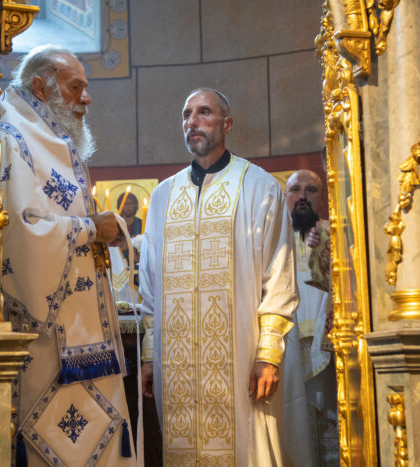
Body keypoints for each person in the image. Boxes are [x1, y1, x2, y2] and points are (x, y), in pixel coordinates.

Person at [139, 88, 299, 466]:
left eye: (204, 112)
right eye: (186, 114)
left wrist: (269, 354)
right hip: (174, 368)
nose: (192, 122)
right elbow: (150, 286)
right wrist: (149, 356)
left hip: (242, 361)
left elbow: (279, 277)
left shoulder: (259, 187)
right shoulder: (162, 197)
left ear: (226, 124)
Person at [0, 45, 135, 467]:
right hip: (46, 345)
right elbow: (21, 232)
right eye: (76, 87)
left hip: (88, 339)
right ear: (40, 86)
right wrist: (92, 229)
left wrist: (93, 229)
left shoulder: (53, 141)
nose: (87, 98)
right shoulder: (13, 138)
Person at [284, 170, 337, 465]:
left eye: (311, 190)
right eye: (295, 190)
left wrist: (327, 251)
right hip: (286, 350)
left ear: (324, 197)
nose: (302, 196)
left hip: (328, 348)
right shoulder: (272, 243)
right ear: (285, 197)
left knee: (330, 419)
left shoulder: (336, 235)